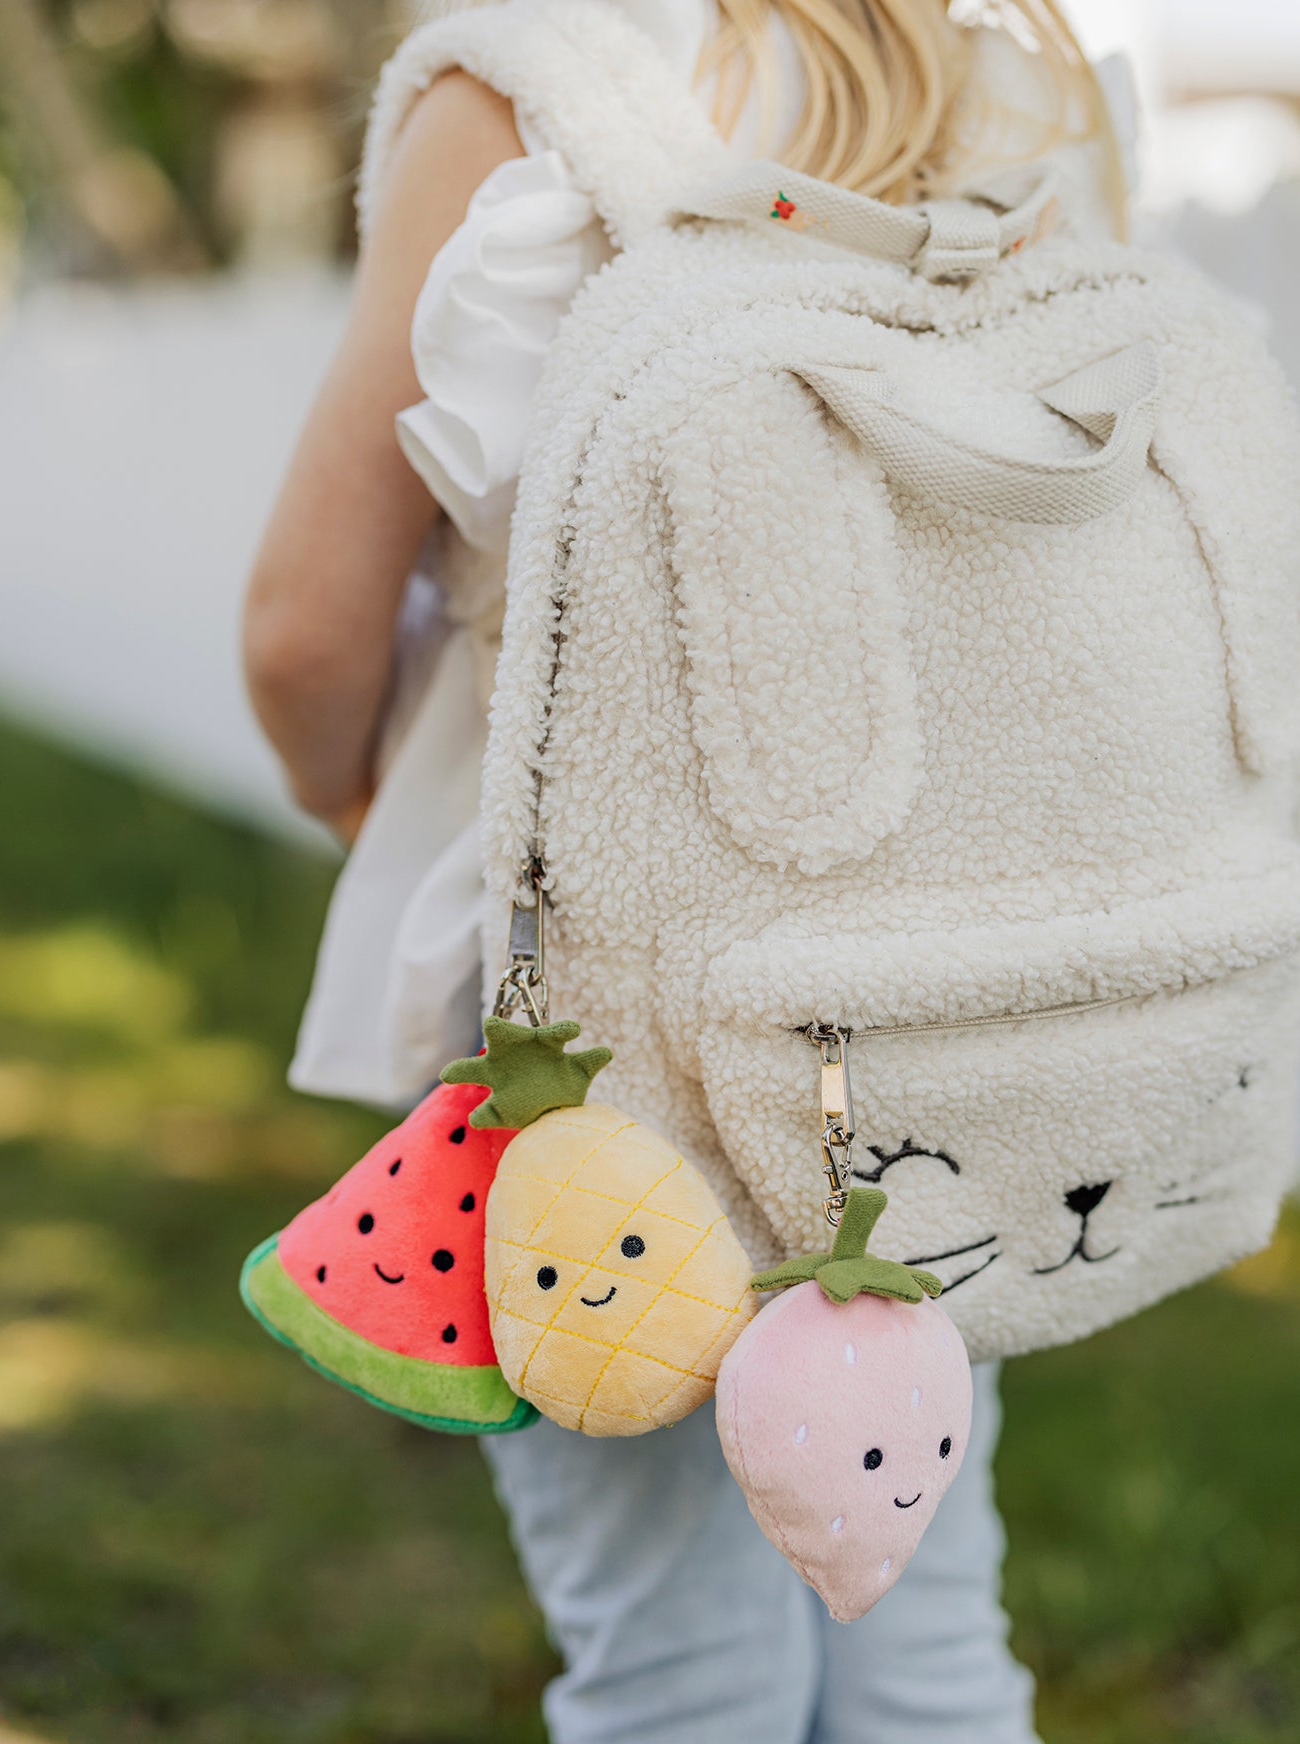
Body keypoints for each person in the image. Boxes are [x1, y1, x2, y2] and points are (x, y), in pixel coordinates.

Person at [244, 4, 1134, 1739]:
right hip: (925, 1001)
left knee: (675, 1667)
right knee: (924, 1624)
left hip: (605, 1009)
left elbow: (304, 627)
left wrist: (347, 798)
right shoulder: (1023, 94)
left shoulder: (525, 94)